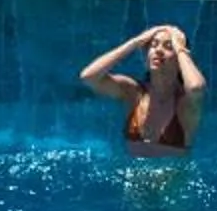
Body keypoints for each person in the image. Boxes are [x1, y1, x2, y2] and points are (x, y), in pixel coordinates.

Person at [81, 24, 206, 158]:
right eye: (153, 45)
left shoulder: (184, 102)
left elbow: (196, 87)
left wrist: (181, 49)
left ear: (180, 60)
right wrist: (136, 42)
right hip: (132, 177)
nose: (158, 50)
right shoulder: (134, 92)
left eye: (169, 47)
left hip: (172, 178)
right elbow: (89, 77)